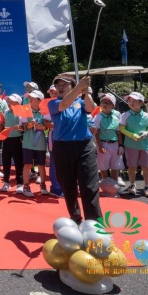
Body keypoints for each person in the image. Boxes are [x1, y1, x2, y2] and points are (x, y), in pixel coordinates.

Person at [48, 75, 102, 224]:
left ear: (71, 86)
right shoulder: (53, 103)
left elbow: (90, 108)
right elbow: (63, 105)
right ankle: (76, 219)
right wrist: (79, 87)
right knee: (68, 186)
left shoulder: (81, 102)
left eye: (64, 84)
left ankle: (95, 224)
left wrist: (86, 92)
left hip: (84, 147)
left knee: (90, 186)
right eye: (58, 85)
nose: (60, 87)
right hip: (62, 148)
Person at [118, 92, 148, 198]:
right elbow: (122, 128)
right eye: (129, 101)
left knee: (146, 167)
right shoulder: (125, 115)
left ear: (141, 103)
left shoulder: (147, 116)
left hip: (145, 145)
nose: (131, 103)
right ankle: (132, 185)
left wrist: (147, 133)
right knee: (131, 167)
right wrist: (132, 135)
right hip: (130, 145)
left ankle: (147, 187)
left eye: (134, 101)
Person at [91, 93, 123, 187]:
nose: (105, 104)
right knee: (103, 166)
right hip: (103, 144)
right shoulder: (98, 117)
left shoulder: (117, 115)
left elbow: (118, 132)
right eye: (103, 102)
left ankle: (115, 185)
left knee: (115, 166)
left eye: (109, 102)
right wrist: (100, 146)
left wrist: (120, 145)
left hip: (115, 144)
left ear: (113, 105)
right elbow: (97, 133)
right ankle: (106, 185)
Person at [21, 90, 48, 197]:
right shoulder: (25, 110)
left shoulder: (45, 111)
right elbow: (22, 127)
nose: (30, 99)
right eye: (30, 97)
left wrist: (43, 127)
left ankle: (43, 186)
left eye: (33, 97)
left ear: (39, 100)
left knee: (41, 165)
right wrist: (29, 125)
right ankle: (26, 187)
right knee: (27, 165)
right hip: (28, 143)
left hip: (40, 143)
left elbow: (48, 126)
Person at [1, 94, 25, 193]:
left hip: (18, 140)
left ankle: (20, 183)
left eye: (12, 101)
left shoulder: (22, 113)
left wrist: (19, 127)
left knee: (18, 162)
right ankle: (6, 182)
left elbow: (25, 128)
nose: (9, 103)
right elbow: (3, 124)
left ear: (18, 103)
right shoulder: (6, 112)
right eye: (9, 101)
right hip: (6, 140)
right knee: (6, 162)